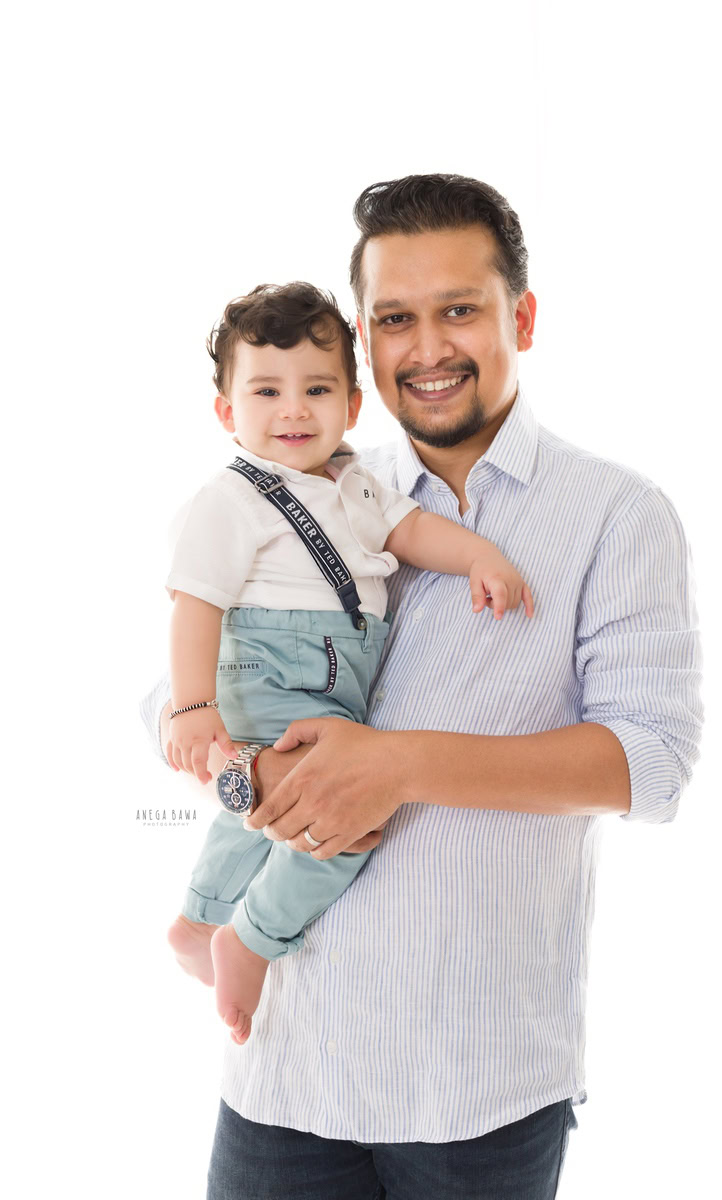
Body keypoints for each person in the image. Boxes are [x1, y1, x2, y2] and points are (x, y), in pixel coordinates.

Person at [142, 173, 703, 1199]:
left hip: (475, 1084)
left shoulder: (615, 513)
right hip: (286, 1062)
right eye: (396, 318)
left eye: (459, 310)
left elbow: (652, 766)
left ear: (519, 317)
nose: (428, 348)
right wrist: (227, 755)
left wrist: (393, 766)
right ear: (363, 340)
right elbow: (177, 690)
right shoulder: (316, 483)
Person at [165, 280, 533, 1046]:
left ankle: (201, 921)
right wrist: (194, 707)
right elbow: (195, 603)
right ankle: (253, 941)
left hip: (330, 673)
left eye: (318, 388)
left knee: (259, 818)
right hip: (274, 668)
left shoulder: (356, 482)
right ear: (228, 414)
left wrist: (480, 556)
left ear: (352, 407)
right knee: (339, 828)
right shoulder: (230, 499)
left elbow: (415, 533)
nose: (294, 409)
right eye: (267, 391)